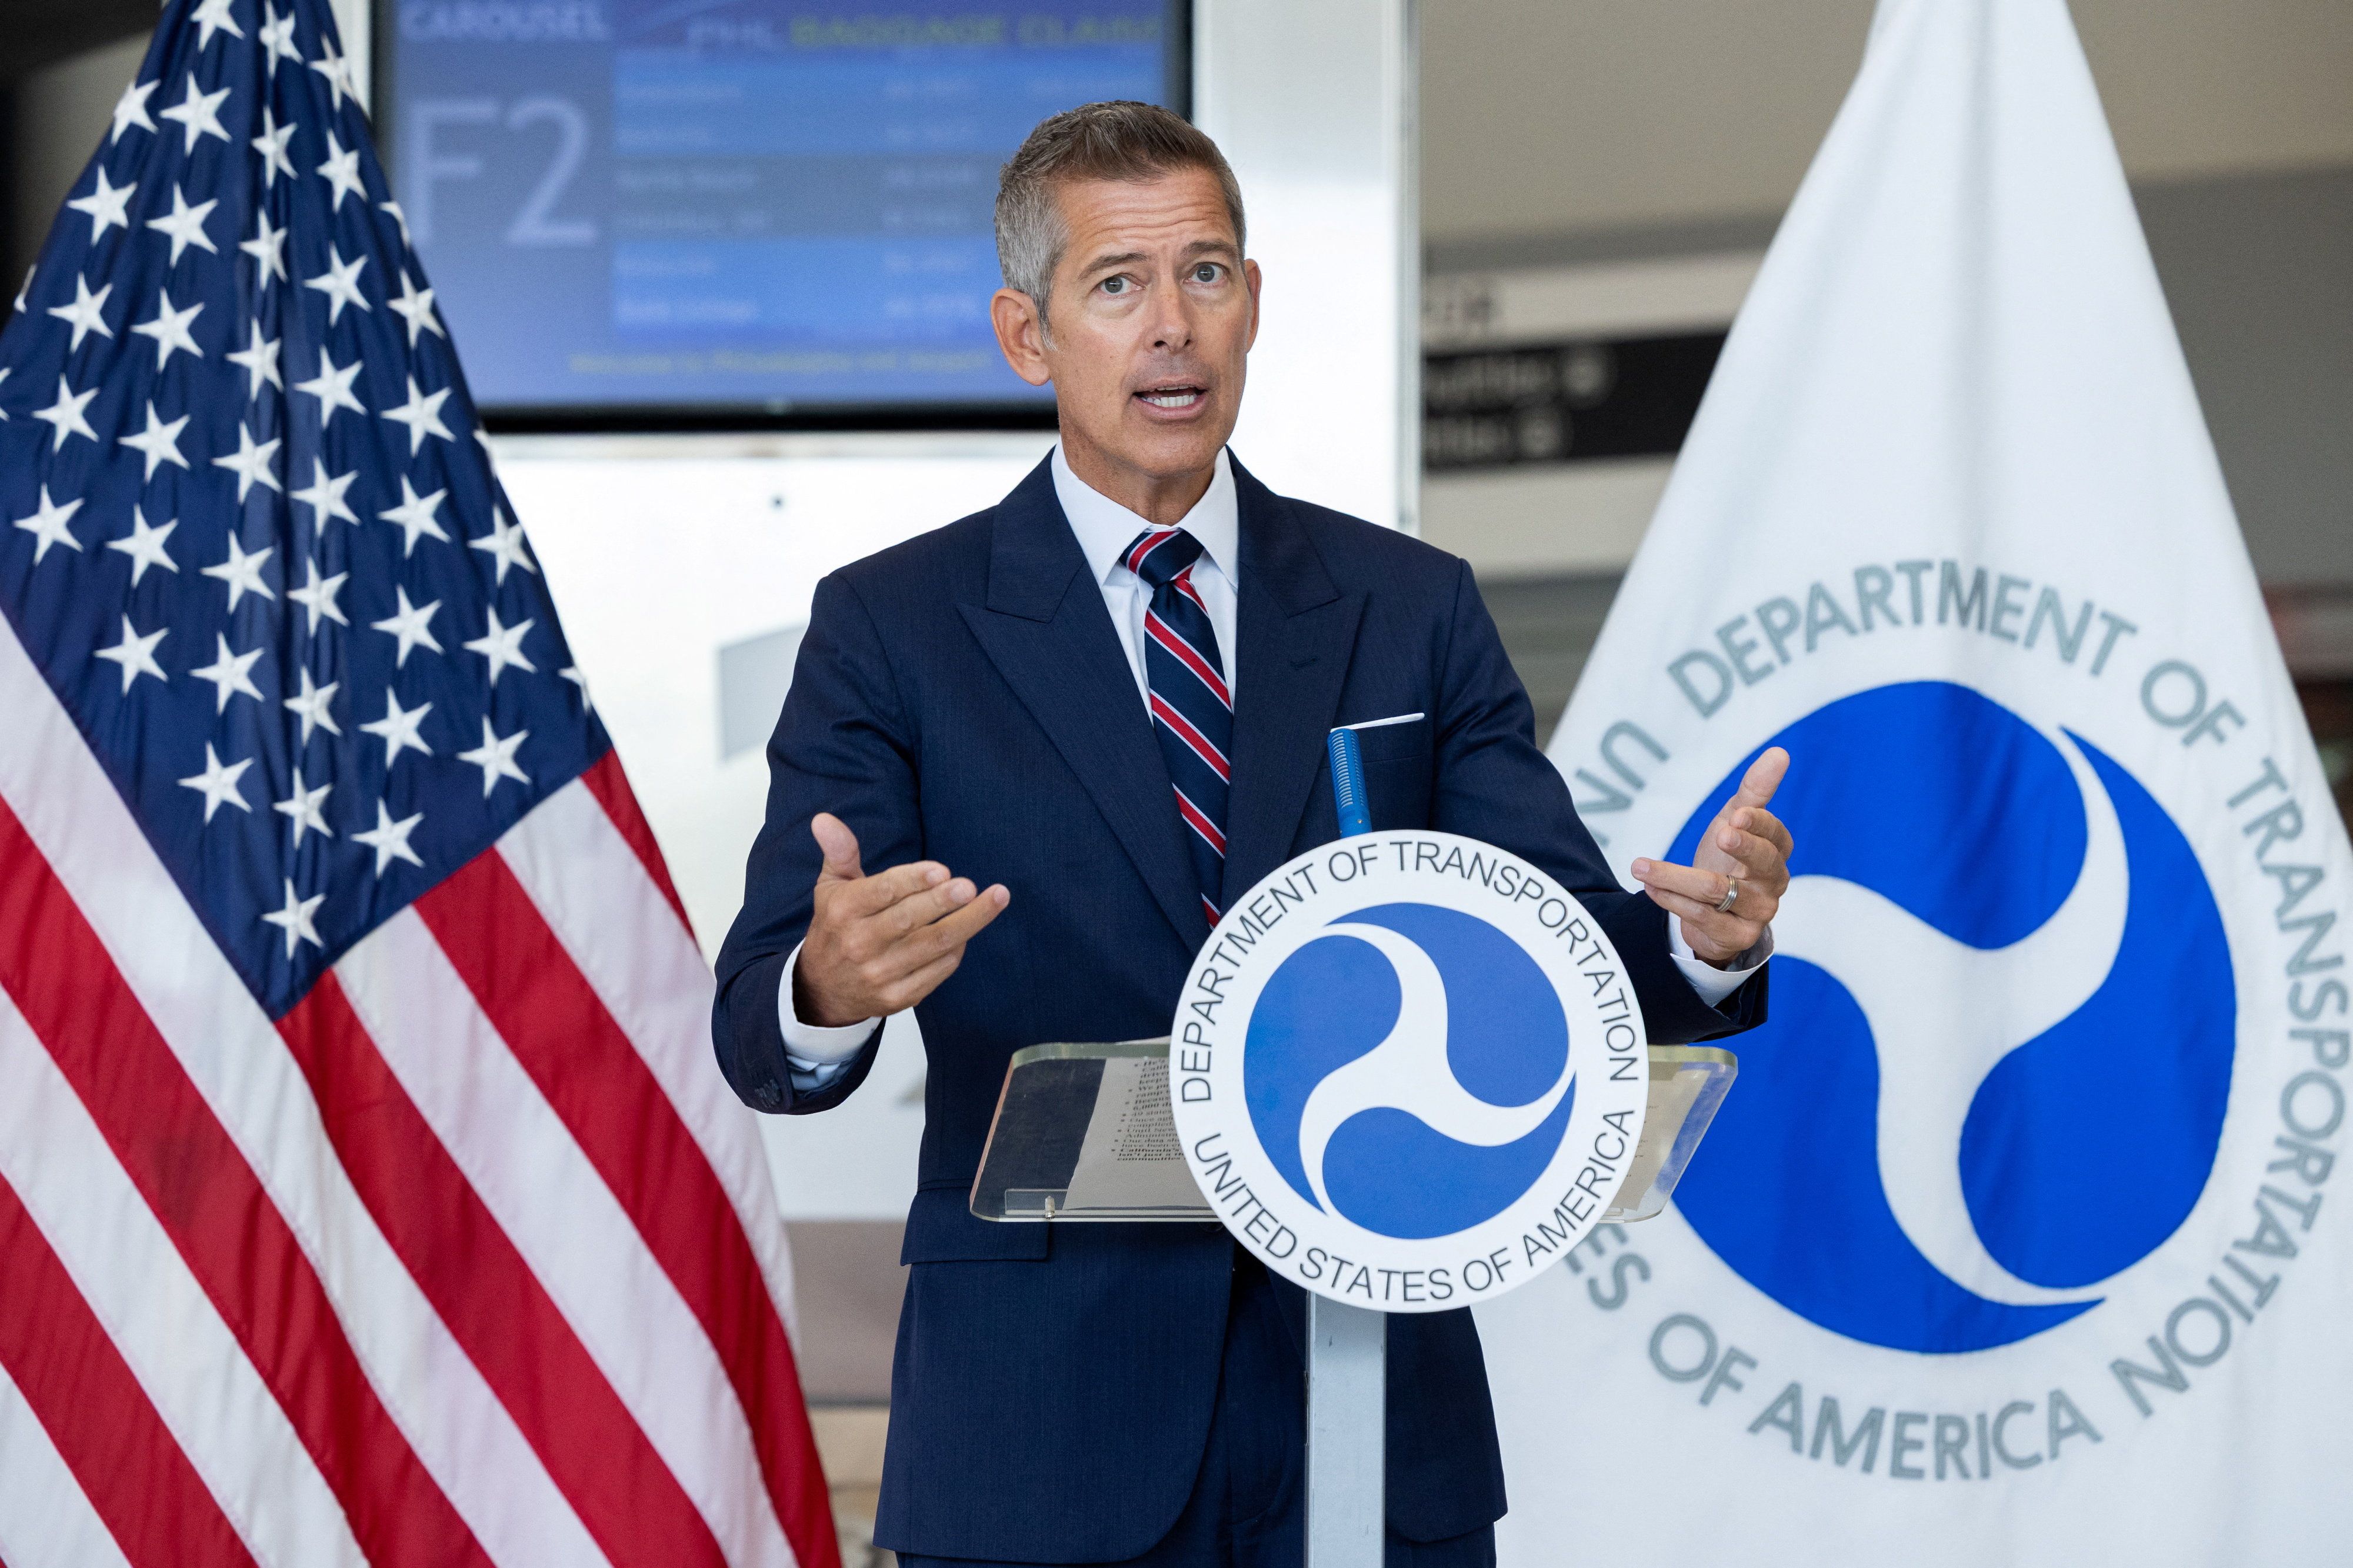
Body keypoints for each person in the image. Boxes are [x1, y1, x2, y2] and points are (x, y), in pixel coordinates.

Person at [714, 100, 1792, 1568]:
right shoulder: (894, 628)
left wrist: (1701, 940)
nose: (1173, 327)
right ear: (1026, 337)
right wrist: (828, 983)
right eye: (1118, 286)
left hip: (1364, 1425)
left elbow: (1552, 935)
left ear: (1254, 302)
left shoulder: (1404, 606)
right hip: (1044, 1432)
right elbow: (763, 1028)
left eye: (1206, 274)